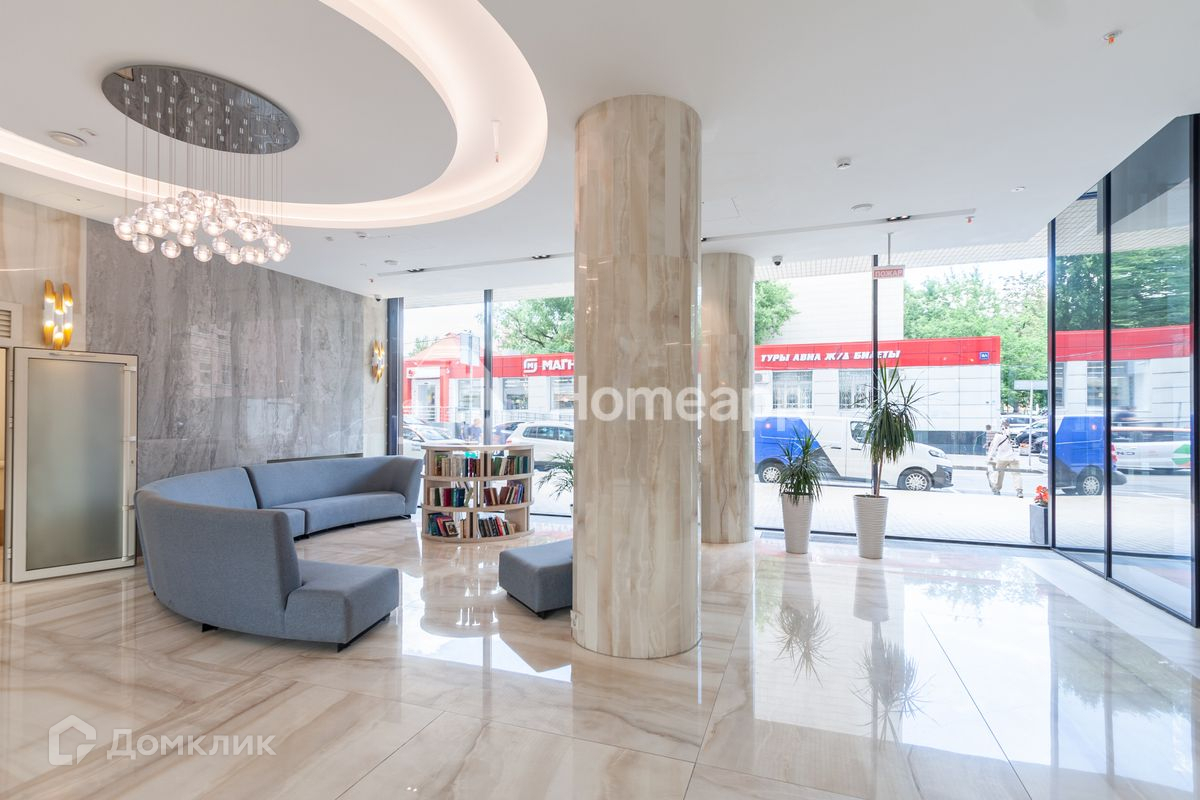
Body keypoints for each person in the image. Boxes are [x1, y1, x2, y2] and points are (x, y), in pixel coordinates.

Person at [987, 420, 1022, 498]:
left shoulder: (998, 435)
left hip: (1002, 458)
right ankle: (1019, 490)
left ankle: (997, 489)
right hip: (1013, 457)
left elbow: (993, 447)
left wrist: (989, 457)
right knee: (1016, 474)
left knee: (999, 474)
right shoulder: (1010, 433)